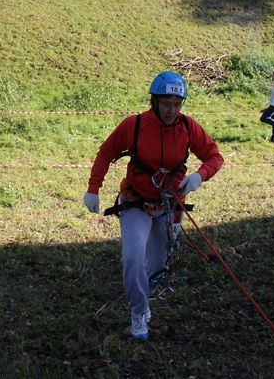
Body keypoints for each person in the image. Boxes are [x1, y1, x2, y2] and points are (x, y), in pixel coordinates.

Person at [83, 72, 224, 340]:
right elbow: (105, 153)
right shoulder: (134, 125)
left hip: (170, 206)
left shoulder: (188, 127)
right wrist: (93, 188)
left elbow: (214, 157)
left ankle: (144, 293)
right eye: (166, 103)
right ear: (155, 101)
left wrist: (199, 176)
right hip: (135, 202)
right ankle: (138, 312)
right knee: (133, 258)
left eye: (177, 104)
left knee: (158, 265)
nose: (172, 110)